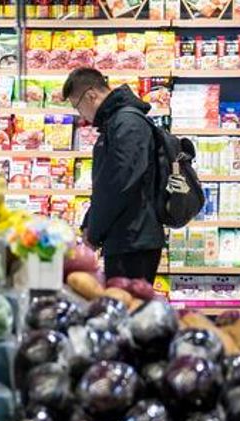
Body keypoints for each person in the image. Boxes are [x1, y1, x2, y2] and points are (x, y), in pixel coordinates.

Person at [64, 68, 166, 284]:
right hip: (127, 237)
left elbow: (120, 184)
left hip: (133, 241)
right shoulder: (117, 122)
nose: (81, 114)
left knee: (128, 301)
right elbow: (109, 182)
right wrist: (89, 224)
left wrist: (94, 233)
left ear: (91, 95)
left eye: (77, 106)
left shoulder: (127, 123)